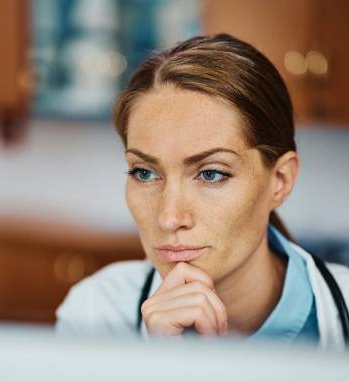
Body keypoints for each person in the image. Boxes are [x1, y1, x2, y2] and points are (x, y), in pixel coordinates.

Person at [55, 33, 349, 349]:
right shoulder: (96, 314)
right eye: (145, 172)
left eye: (211, 174)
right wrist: (163, 363)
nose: (168, 218)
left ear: (280, 180)